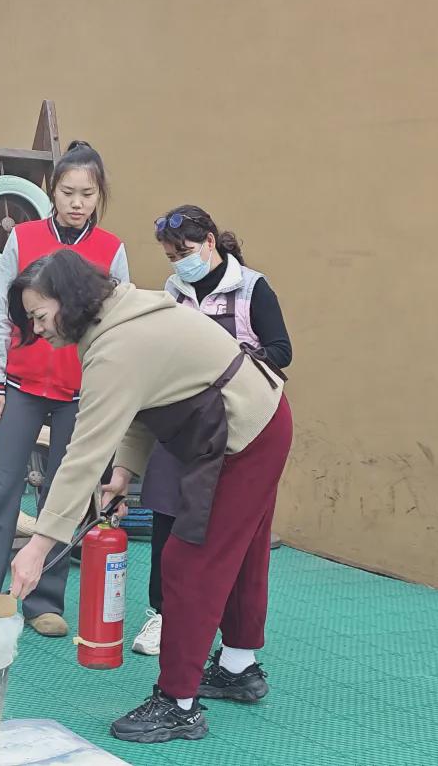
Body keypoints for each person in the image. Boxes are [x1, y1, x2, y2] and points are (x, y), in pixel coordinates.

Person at [6, 250, 292, 744]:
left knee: (190, 561)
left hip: (244, 437)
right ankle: (238, 667)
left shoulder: (116, 345)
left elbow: (82, 456)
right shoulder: (121, 313)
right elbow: (146, 401)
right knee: (241, 551)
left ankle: (178, 705)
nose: (38, 329)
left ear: (68, 299)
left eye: (40, 316)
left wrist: (39, 544)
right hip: (260, 417)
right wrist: (125, 472)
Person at [0, 140, 129, 637]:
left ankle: (44, 602)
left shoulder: (111, 249)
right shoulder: (24, 237)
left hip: (80, 395)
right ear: (52, 191)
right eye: (68, 192)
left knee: (63, 496)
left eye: (87, 194)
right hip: (21, 386)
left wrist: (107, 395)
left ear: (99, 195)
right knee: (1, 488)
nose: (77, 203)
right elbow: (0, 316)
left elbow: (119, 327)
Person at [131, 205, 292, 657]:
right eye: (170, 257)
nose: (178, 263)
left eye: (184, 253)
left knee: (224, 531)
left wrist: (230, 358)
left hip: (237, 426)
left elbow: (282, 350)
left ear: (209, 242)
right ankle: (162, 614)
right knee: (165, 513)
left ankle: (227, 633)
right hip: (182, 420)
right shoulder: (173, 291)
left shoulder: (253, 287)